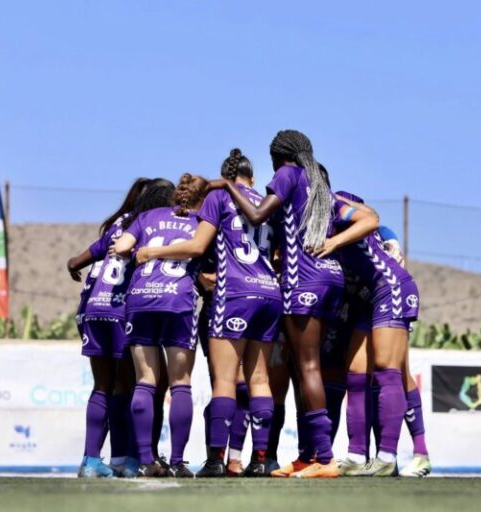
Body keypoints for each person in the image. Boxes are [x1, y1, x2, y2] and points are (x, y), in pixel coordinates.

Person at [209, 131, 379, 478]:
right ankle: (307, 455)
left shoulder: (287, 173)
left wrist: (228, 187)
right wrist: (333, 243)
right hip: (330, 278)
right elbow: (370, 217)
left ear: (279, 156)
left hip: (305, 279)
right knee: (306, 370)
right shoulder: (319, 186)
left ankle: (325, 459)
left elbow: (256, 215)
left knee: (308, 368)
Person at [136, 149, 281, 477]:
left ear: (225, 176)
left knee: (225, 380)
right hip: (270, 294)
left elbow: (198, 246)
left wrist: (153, 251)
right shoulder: (267, 201)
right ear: (252, 178)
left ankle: (216, 459)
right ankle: (259, 460)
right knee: (259, 379)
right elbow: (277, 253)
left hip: (235, 294)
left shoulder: (218, 197)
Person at [110, 173, 208, 478]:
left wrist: (143, 248)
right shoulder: (203, 221)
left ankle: (145, 460)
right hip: (177, 300)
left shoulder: (148, 216)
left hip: (140, 298)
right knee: (181, 383)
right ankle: (177, 461)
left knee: (145, 381)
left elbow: (121, 247)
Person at [66, 177, 163, 478]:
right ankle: (124, 459)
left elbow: (80, 259)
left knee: (102, 386)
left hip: (93, 309)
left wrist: (73, 265)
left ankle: (90, 460)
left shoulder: (118, 223)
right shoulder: (152, 224)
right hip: (122, 310)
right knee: (128, 386)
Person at [330, 191, 423, 477]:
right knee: (356, 375)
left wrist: (391, 241)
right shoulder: (312, 219)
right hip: (366, 300)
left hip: (391, 290)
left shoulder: (334, 209)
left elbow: (371, 217)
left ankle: (390, 456)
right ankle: (357, 456)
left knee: (390, 370)